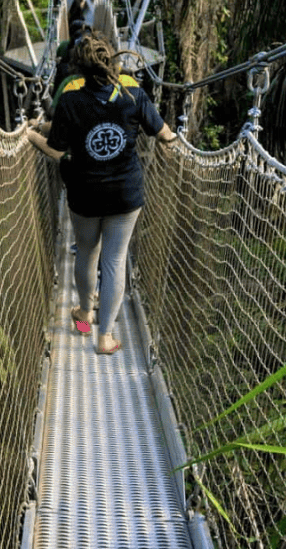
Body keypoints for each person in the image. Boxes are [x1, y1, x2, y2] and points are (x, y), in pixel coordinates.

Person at [28, 30, 176, 354]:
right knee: (114, 260)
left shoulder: (70, 100)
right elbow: (164, 135)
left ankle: (83, 318)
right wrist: (176, 139)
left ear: (79, 69)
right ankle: (105, 338)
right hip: (125, 195)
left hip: (85, 193)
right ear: (112, 62)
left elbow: (55, 151)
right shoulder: (133, 94)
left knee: (86, 253)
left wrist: (29, 135)